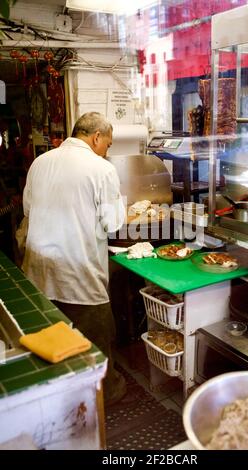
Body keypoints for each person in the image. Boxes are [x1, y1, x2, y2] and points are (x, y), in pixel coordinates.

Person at [22, 112, 127, 405]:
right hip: (79, 276)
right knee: (96, 343)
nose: (107, 150)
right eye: (108, 144)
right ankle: (103, 398)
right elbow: (113, 224)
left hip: (40, 273)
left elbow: (29, 210)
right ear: (96, 137)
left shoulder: (40, 162)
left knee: (53, 344)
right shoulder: (101, 168)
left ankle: (60, 399)